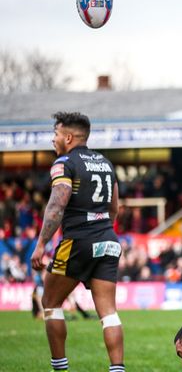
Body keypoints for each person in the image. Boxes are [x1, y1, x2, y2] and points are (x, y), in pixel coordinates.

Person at [30, 112, 124, 372]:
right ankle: (118, 369)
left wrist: (40, 245)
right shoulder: (106, 163)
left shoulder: (64, 163)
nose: (53, 139)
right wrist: (102, 228)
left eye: (56, 134)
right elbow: (115, 207)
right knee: (108, 313)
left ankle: (59, 367)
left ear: (68, 137)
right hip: (108, 239)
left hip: (78, 240)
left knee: (50, 303)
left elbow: (56, 204)